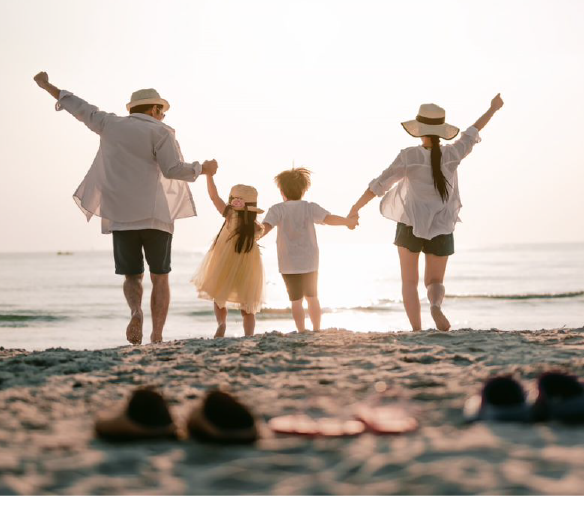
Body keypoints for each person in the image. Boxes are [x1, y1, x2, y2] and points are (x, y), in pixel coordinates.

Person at [33, 71, 217, 345]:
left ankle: (135, 312)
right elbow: (172, 170)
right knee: (160, 276)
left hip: (120, 215)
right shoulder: (160, 132)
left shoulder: (109, 124)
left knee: (132, 275)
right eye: (162, 111)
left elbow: (79, 107)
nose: (163, 116)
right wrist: (202, 168)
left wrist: (48, 86)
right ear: (154, 110)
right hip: (155, 216)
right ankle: (157, 335)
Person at [347, 94, 504, 332]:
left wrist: (355, 208)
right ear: (441, 130)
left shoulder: (410, 156)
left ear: (419, 130)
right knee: (435, 281)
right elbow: (473, 131)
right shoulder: (453, 153)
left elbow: (380, 184)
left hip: (410, 224)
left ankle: (417, 330)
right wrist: (492, 109)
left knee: (409, 282)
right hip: (442, 225)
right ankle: (435, 305)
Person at [261, 168, 358, 332]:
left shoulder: (277, 209)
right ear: (303, 190)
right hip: (310, 261)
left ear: (282, 191)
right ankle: (316, 329)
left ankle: (301, 330)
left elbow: (265, 228)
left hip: (288, 263)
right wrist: (348, 222)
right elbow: (329, 219)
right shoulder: (309, 207)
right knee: (313, 298)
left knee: (296, 301)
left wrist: (250, 237)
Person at [191, 182, 267, 338]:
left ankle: (222, 323)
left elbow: (214, 197)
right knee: (248, 305)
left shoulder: (230, 215)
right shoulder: (256, 227)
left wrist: (209, 177)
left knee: (219, 296)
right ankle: (249, 335)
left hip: (225, 261)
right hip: (249, 265)